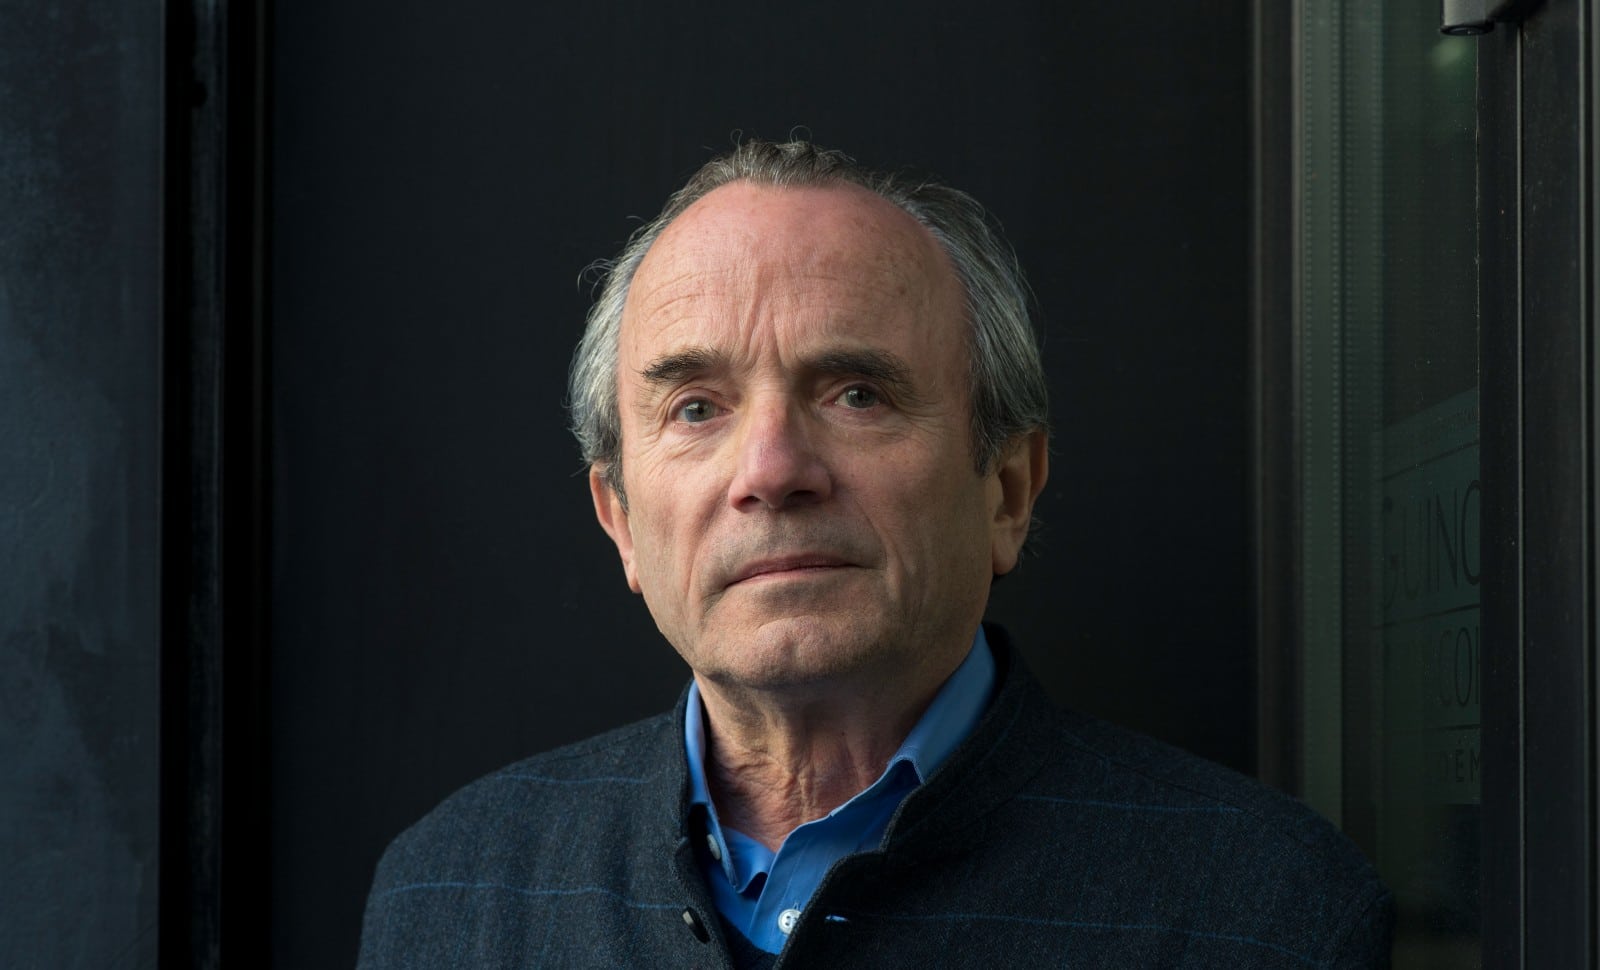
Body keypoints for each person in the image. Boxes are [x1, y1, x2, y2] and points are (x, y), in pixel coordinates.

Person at [357, 140, 1392, 968]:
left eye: (857, 394)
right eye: (696, 408)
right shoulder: (450, 894)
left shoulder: (1264, 912)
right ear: (621, 519)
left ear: (1007, 489)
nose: (771, 470)